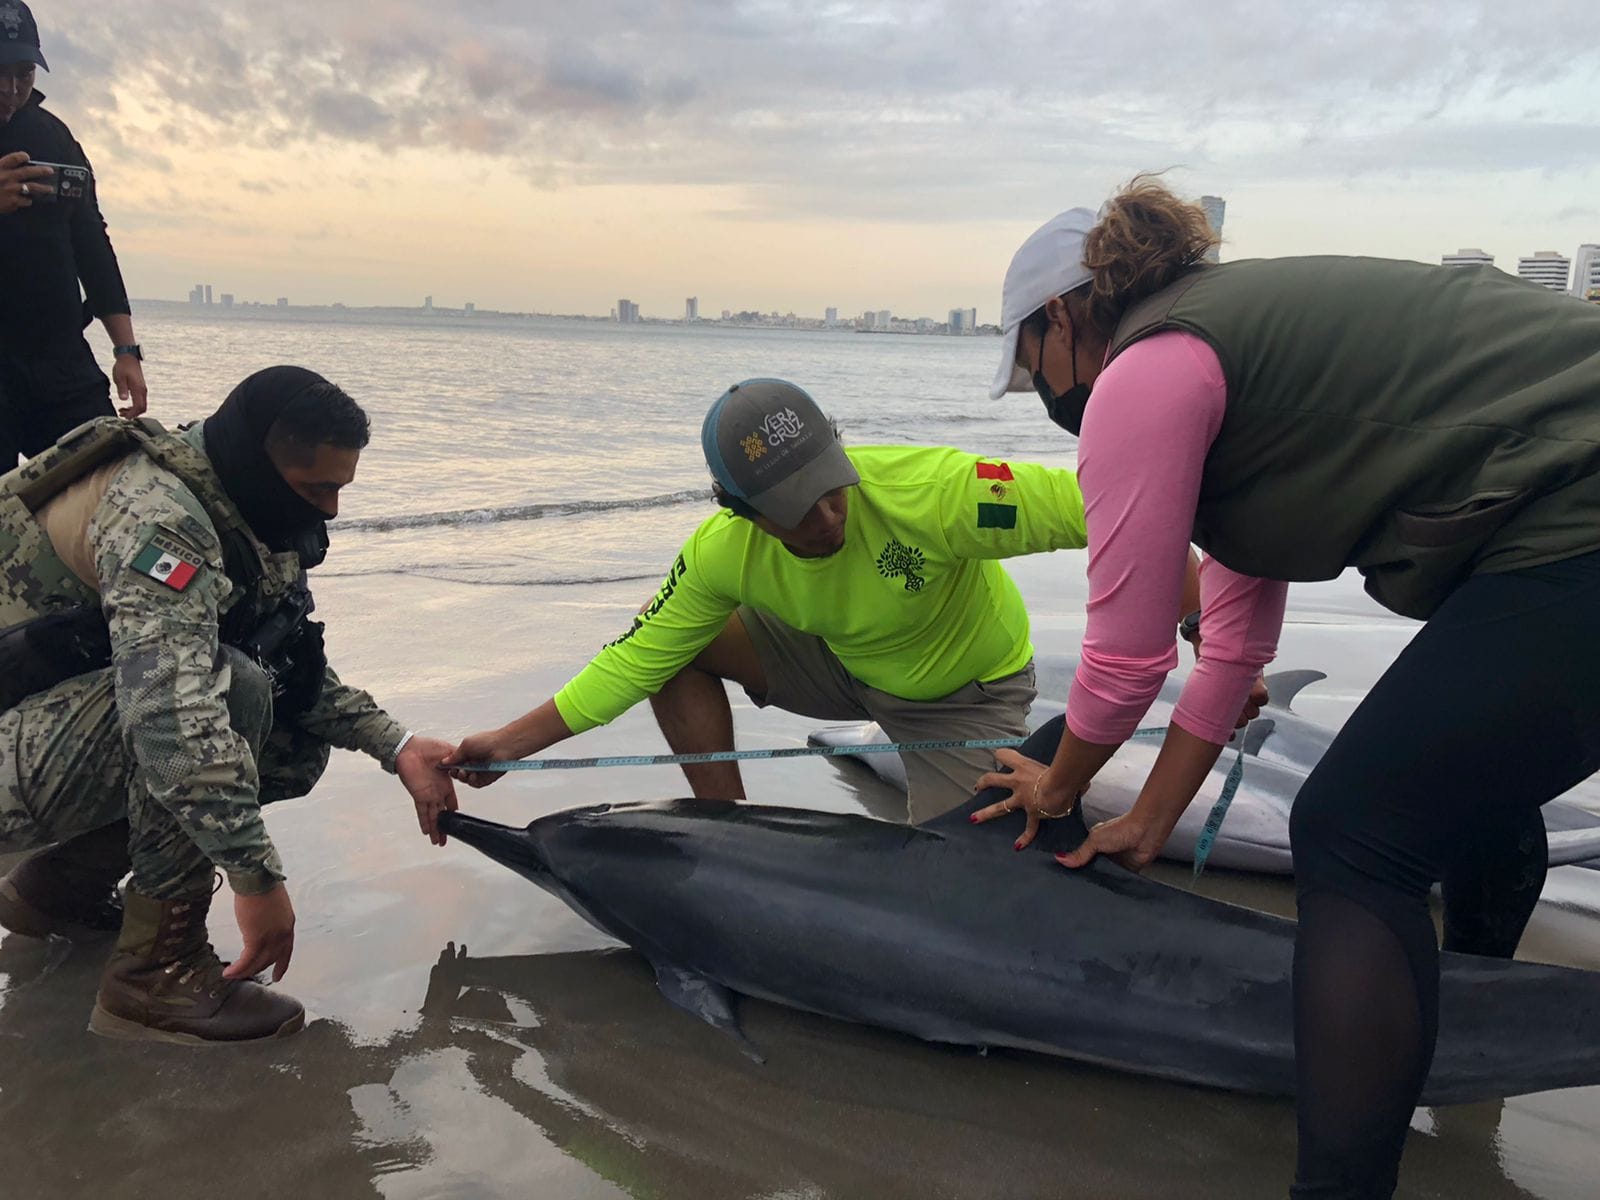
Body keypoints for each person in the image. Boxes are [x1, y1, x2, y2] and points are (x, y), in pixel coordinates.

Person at [972, 180, 1600, 1198]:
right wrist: (1153, 815)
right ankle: (1456, 1023)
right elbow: (1228, 651)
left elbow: (1126, 663)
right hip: (1563, 522)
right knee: (1458, 796)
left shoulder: (1148, 370)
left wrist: (1057, 785)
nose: (1040, 397)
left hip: (1580, 521)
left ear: (1060, 317)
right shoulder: (1234, 353)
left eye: (1027, 366)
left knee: (1355, 838)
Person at [0, 366, 459, 1043]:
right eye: (318, 488)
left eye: (340, 488)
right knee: (229, 693)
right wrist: (256, 878)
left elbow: (296, 671)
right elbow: (169, 713)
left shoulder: (248, 509)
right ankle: (155, 974)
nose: (331, 509)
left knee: (288, 740)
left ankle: (57, 891)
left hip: (45, 728)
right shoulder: (161, 517)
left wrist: (398, 745)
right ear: (260, 460)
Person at [449, 377, 1120, 823]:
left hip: (964, 692)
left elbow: (1118, 508)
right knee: (676, 652)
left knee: (968, 876)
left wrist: (1201, 618)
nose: (828, 518)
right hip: (840, 661)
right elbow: (632, 660)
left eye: (832, 488)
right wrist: (507, 744)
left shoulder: (938, 490)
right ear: (741, 512)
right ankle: (729, 828)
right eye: (796, 509)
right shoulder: (721, 551)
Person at [0, 1, 147, 466]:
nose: (10, 89)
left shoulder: (52, 135)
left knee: (112, 485)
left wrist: (126, 350)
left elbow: (92, 242)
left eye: (24, 73)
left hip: (60, 359)